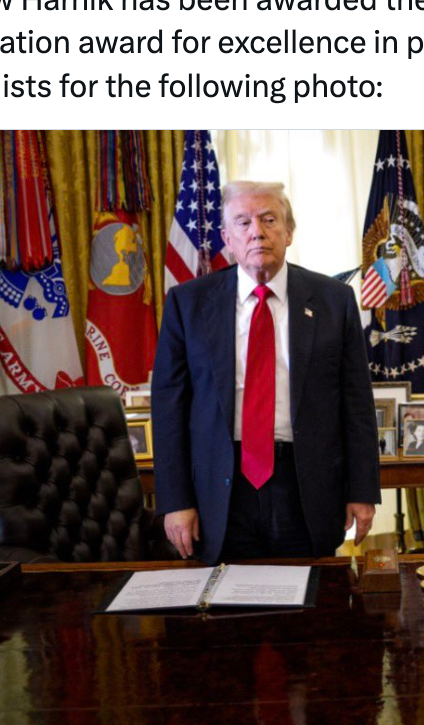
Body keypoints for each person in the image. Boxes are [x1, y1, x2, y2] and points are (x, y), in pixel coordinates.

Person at [152, 181, 380, 563]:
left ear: (289, 232)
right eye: (243, 222)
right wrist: (175, 500)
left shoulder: (334, 301)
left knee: (311, 594)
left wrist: (362, 490)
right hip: (219, 489)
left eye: (269, 219)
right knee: (225, 597)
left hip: (306, 486)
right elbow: (169, 408)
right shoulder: (187, 303)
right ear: (227, 237)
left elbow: (356, 403)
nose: (256, 231)